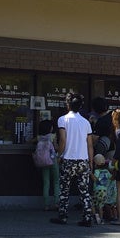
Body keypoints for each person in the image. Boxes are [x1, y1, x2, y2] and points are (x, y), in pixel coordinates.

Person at [50, 95, 96, 226]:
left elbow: (63, 140)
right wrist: (90, 162)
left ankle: (63, 216)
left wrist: (59, 155)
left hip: (68, 159)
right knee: (84, 190)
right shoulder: (86, 122)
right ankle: (87, 217)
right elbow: (90, 145)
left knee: (64, 189)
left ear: (68, 104)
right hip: (83, 160)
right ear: (80, 106)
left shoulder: (63, 120)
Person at [90, 111, 118, 223]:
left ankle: (99, 218)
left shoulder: (97, 172)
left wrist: (89, 173)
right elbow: (112, 178)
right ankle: (114, 217)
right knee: (110, 205)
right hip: (106, 191)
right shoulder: (107, 172)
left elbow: (95, 179)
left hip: (98, 191)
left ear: (96, 164)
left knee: (96, 204)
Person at [32, 117, 58, 210]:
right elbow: (56, 147)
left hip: (43, 161)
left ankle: (46, 204)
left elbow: (30, 141)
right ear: (49, 128)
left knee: (46, 182)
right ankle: (56, 203)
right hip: (52, 160)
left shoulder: (39, 137)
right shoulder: (53, 136)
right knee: (56, 181)